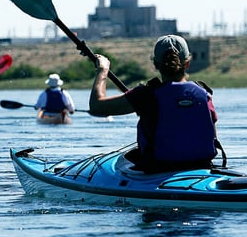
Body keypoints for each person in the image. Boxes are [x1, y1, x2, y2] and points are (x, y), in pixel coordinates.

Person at [89, 35, 220, 173]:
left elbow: (97, 107)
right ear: (187, 64)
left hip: (158, 169)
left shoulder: (145, 95)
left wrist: (102, 71)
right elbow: (213, 137)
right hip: (203, 167)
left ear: (156, 65)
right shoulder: (204, 94)